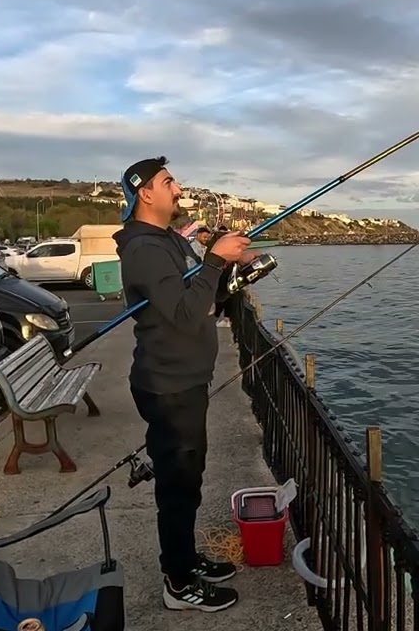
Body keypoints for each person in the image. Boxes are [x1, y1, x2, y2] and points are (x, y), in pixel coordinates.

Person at [111, 156, 259, 612]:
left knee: (188, 481)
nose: (178, 189)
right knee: (177, 486)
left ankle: (185, 559)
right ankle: (177, 584)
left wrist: (231, 269)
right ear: (145, 193)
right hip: (167, 385)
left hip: (184, 380)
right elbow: (183, 315)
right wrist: (215, 258)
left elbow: (199, 298)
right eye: (168, 181)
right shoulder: (144, 249)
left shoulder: (166, 242)